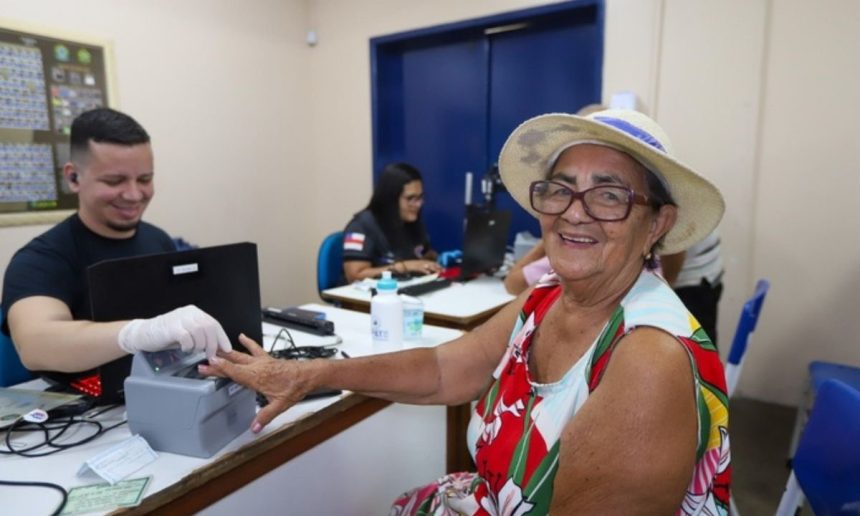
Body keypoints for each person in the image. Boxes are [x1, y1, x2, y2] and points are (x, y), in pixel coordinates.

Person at [201, 109, 731, 514]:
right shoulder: (546, 298)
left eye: (609, 195)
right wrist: (307, 374)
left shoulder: (648, 360)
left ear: (657, 224)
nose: (575, 212)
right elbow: (442, 369)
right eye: (561, 190)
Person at [1, 108, 230, 387]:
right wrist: (137, 334)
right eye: (114, 181)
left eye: (144, 179)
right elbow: (36, 344)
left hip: (162, 388)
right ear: (73, 178)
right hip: (90, 404)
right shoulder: (40, 259)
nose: (134, 194)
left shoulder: (158, 240)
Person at [342, 162, 441, 282]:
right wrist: (405, 267)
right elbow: (354, 276)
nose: (418, 204)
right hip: (371, 292)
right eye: (410, 198)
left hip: (407, 287)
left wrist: (436, 260)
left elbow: (422, 254)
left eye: (420, 197)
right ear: (390, 198)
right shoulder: (361, 227)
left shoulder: (411, 221)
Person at [660, 229, 724, 345]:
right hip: (703, 274)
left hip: (690, 286)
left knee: (694, 351)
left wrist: (664, 294)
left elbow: (675, 248)